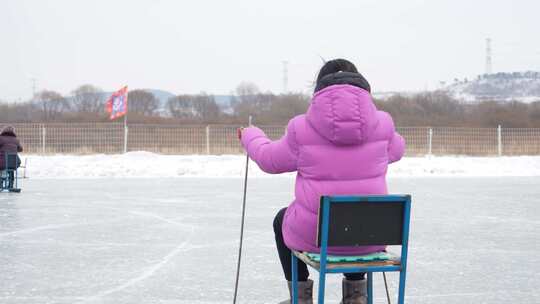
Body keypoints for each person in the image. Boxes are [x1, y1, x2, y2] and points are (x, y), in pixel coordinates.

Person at [238, 59, 405, 304]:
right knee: (356, 218)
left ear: (319, 89)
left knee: (281, 219)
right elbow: (398, 149)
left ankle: (301, 297)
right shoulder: (384, 125)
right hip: (371, 239)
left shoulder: (301, 128)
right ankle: (356, 295)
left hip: (316, 236)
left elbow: (269, 160)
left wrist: (251, 135)